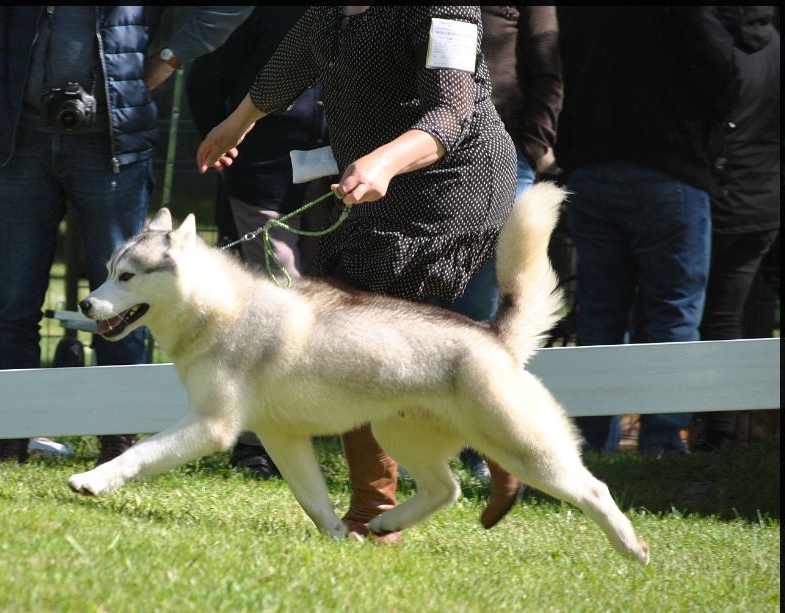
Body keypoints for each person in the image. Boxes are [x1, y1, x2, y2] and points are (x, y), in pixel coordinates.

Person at [197, 6, 519, 540]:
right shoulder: (327, 12)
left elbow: (450, 114)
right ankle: (494, 450)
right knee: (365, 337)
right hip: (372, 180)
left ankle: (375, 508)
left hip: (452, 180)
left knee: (368, 336)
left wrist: (385, 162)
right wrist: (234, 125)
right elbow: (289, 65)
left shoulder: (443, 9)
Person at [0, 5, 252, 464]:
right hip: (20, 139)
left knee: (128, 301)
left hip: (113, 145)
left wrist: (172, 55)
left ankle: (118, 445)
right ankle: (9, 440)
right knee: (15, 303)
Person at [555, 6, 737, 453]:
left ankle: (591, 443)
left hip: (591, 166)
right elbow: (724, 80)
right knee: (673, 313)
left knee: (600, 317)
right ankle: (662, 445)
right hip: (668, 168)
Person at [186, 6, 331, 479]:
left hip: (341, 176)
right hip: (263, 177)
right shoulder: (262, 12)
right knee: (277, 308)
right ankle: (256, 445)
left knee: (327, 304)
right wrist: (220, 138)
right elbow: (206, 74)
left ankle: (314, 427)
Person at [448, 5, 563, 500]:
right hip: (426, 158)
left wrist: (530, 151)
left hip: (503, 159)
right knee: (430, 305)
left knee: (483, 307)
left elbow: (547, 64)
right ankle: (427, 450)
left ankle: (488, 454)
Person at [695, 5, 780, 451]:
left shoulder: (710, 40)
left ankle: (694, 425)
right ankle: (721, 431)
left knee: (688, 315)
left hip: (715, 194)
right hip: (762, 199)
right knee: (728, 318)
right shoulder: (774, 42)